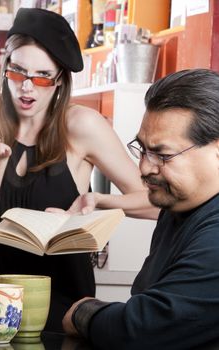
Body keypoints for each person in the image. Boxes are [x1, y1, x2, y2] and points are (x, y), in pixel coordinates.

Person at [0, 7, 159, 332]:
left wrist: (98, 203)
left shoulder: (82, 125)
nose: (27, 88)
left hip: (61, 301)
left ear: (59, 81)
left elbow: (155, 201)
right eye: (17, 72)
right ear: (4, 67)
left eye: (41, 77)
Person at [63, 68, 219, 349]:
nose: (145, 168)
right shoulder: (179, 205)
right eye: (143, 149)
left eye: (163, 155)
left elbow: (142, 329)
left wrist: (82, 313)